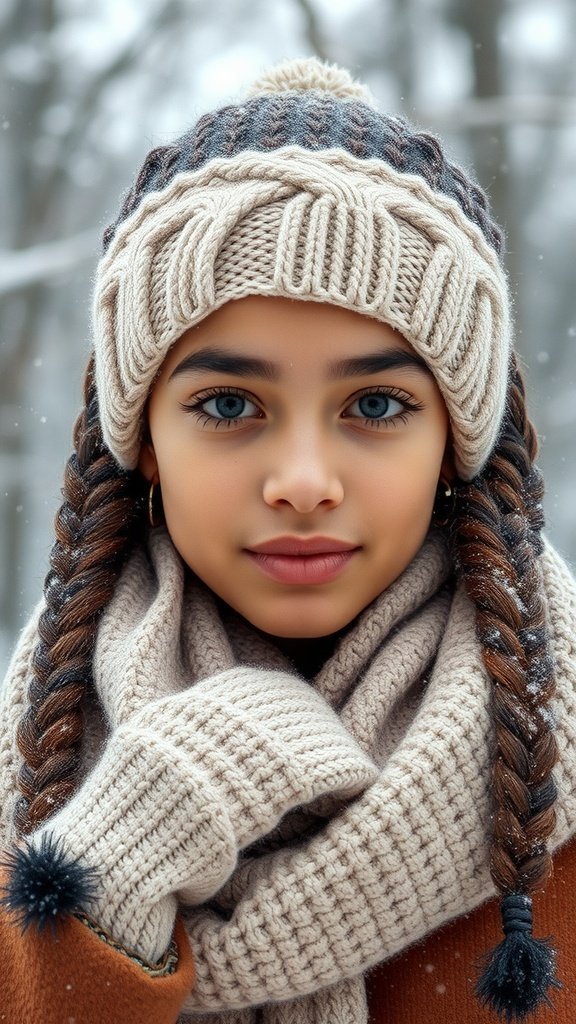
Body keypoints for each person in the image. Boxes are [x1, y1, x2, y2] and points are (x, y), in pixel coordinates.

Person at [0, 55, 575, 1024]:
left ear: (455, 441)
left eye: (378, 403)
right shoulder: (34, 772)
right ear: (144, 443)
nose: (303, 481)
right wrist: (107, 872)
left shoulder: (552, 782)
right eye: (228, 403)